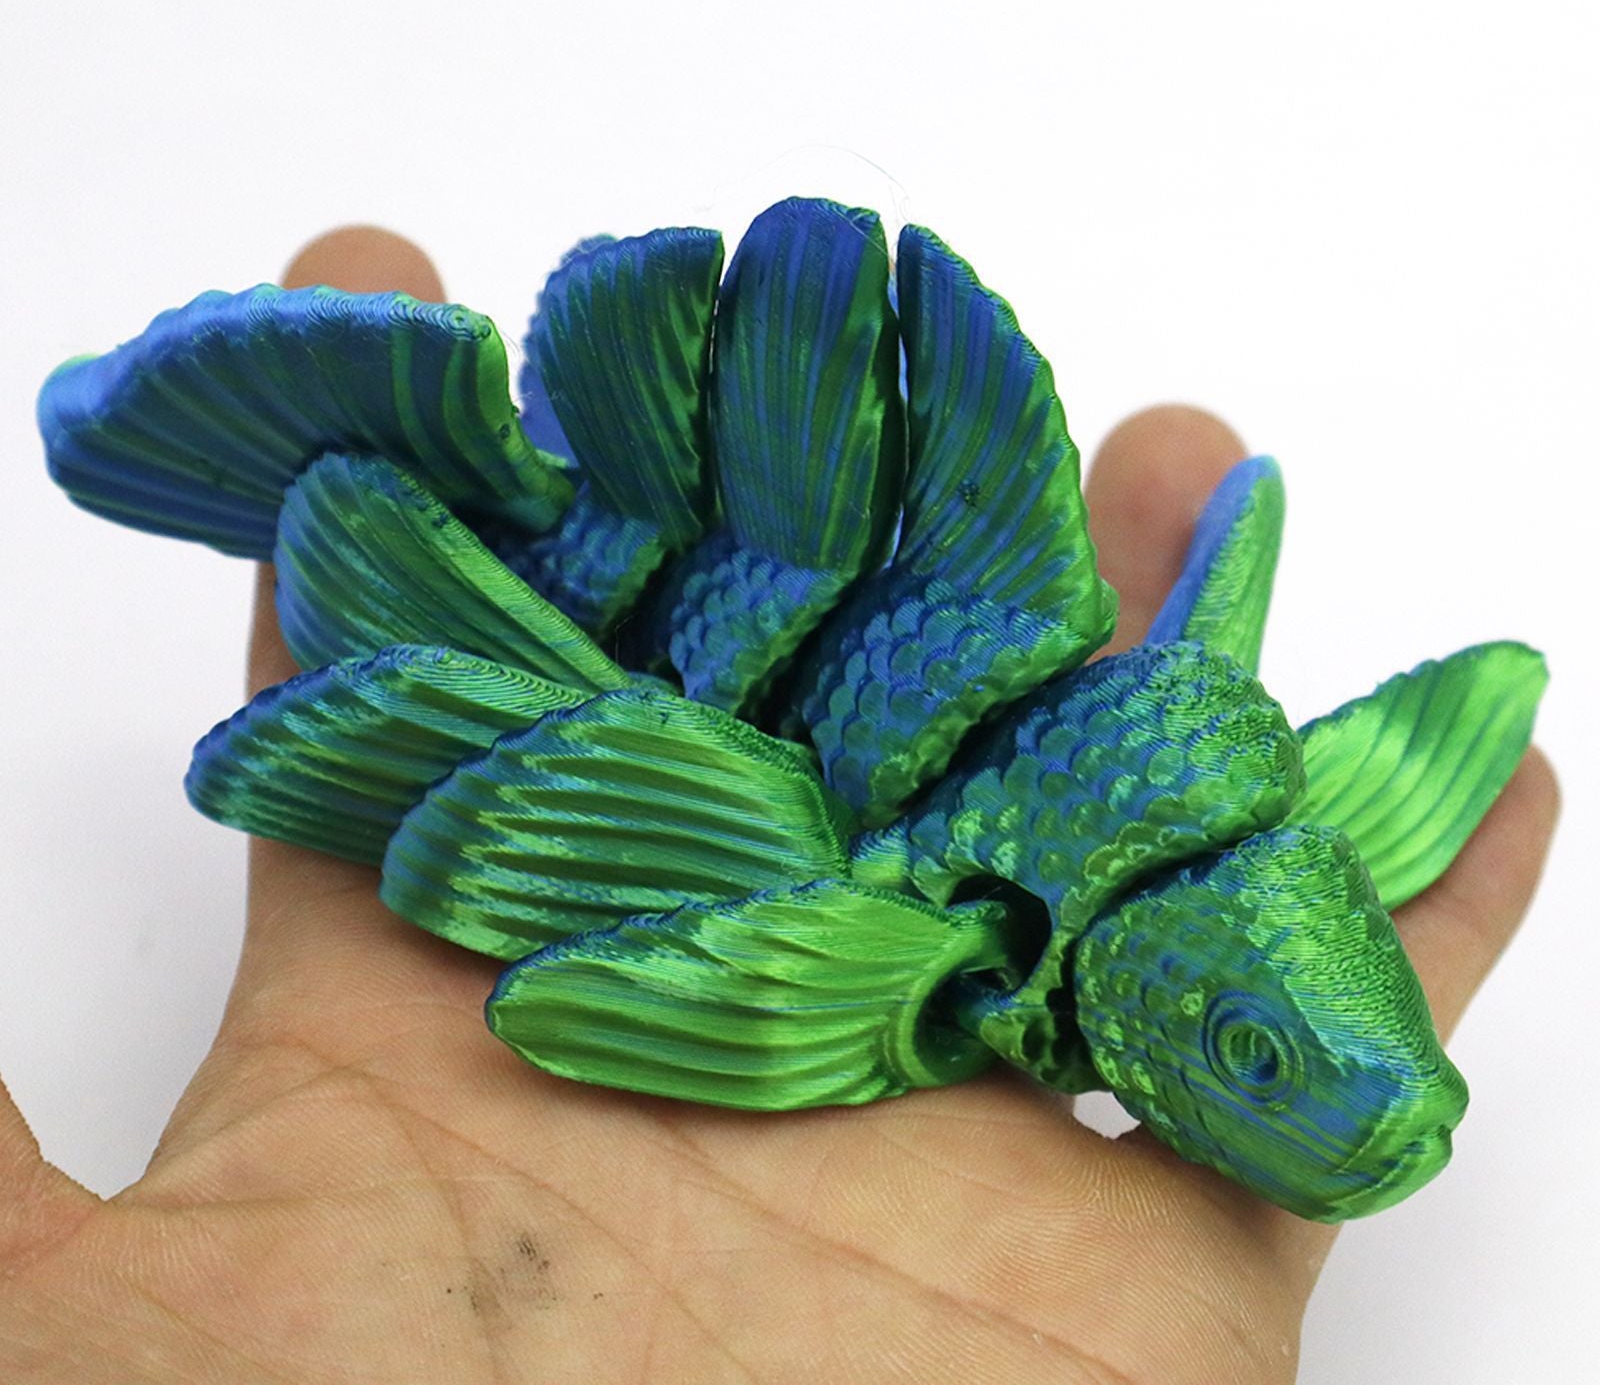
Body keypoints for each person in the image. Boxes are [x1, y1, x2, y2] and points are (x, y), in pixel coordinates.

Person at [0, 227, 1560, 1384]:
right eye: (1252, 1053)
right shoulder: (934, 938)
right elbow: (618, 993)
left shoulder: (1179, 856)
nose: (1392, 1126)